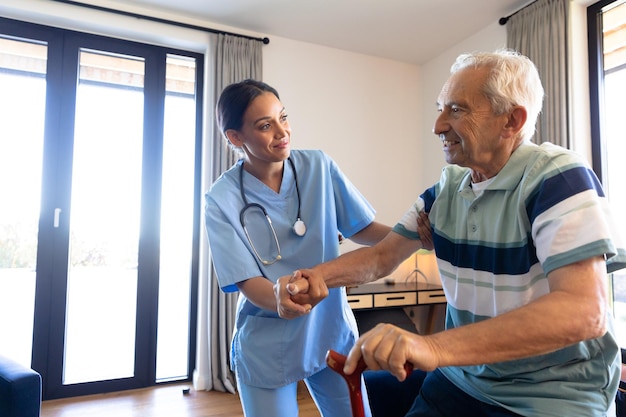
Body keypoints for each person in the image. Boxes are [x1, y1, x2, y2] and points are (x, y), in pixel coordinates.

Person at [277, 49, 626, 416]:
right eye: (440, 108)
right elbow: (383, 255)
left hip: (550, 395)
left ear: (511, 121)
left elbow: (583, 310)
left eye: (456, 110)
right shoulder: (446, 189)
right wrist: (312, 277)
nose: (438, 125)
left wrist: (433, 348)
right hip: (461, 380)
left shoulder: (556, 177)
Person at [204, 79, 391, 417]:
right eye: (265, 125)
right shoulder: (221, 199)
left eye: (283, 117)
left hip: (329, 329)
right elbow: (246, 281)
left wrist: (416, 235)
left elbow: (362, 229)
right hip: (267, 342)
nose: (282, 131)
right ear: (235, 137)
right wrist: (278, 297)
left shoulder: (318, 166)